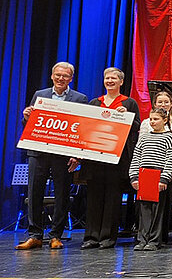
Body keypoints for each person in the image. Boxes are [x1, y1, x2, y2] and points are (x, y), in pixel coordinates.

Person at [16, 62, 88, 250]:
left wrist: (77, 156)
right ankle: (35, 235)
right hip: (38, 152)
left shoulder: (80, 98)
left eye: (65, 76)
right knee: (34, 193)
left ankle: (56, 235)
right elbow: (30, 124)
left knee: (62, 195)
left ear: (71, 78)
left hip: (63, 155)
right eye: (57, 75)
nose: (61, 78)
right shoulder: (40, 95)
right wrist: (26, 117)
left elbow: (82, 130)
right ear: (52, 76)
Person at [81, 67, 140, 249]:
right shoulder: (94, 103)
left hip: (118, 158)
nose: (110, 81)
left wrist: (127, 117)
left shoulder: (129, 103)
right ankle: (91, 236)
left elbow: (137, 125)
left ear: (121, 82)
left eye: (114, 78)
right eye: (107, 78)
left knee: (113, 198)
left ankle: (108, 237)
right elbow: (85, 126)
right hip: (95, 158)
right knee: (94, 198)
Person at [129, 108, 172, 251]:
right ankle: (142, 239)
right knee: (144, 210)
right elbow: (136, 156)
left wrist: (164, 178)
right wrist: (134, 176)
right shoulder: (144, 137)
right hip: (144, 175)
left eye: (156, 119)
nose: (152, 122)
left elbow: (171, 158)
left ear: (165, 120)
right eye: (151, 119)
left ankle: (154, 240)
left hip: (158, 175)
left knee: (157, 210)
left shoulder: (169, 137)